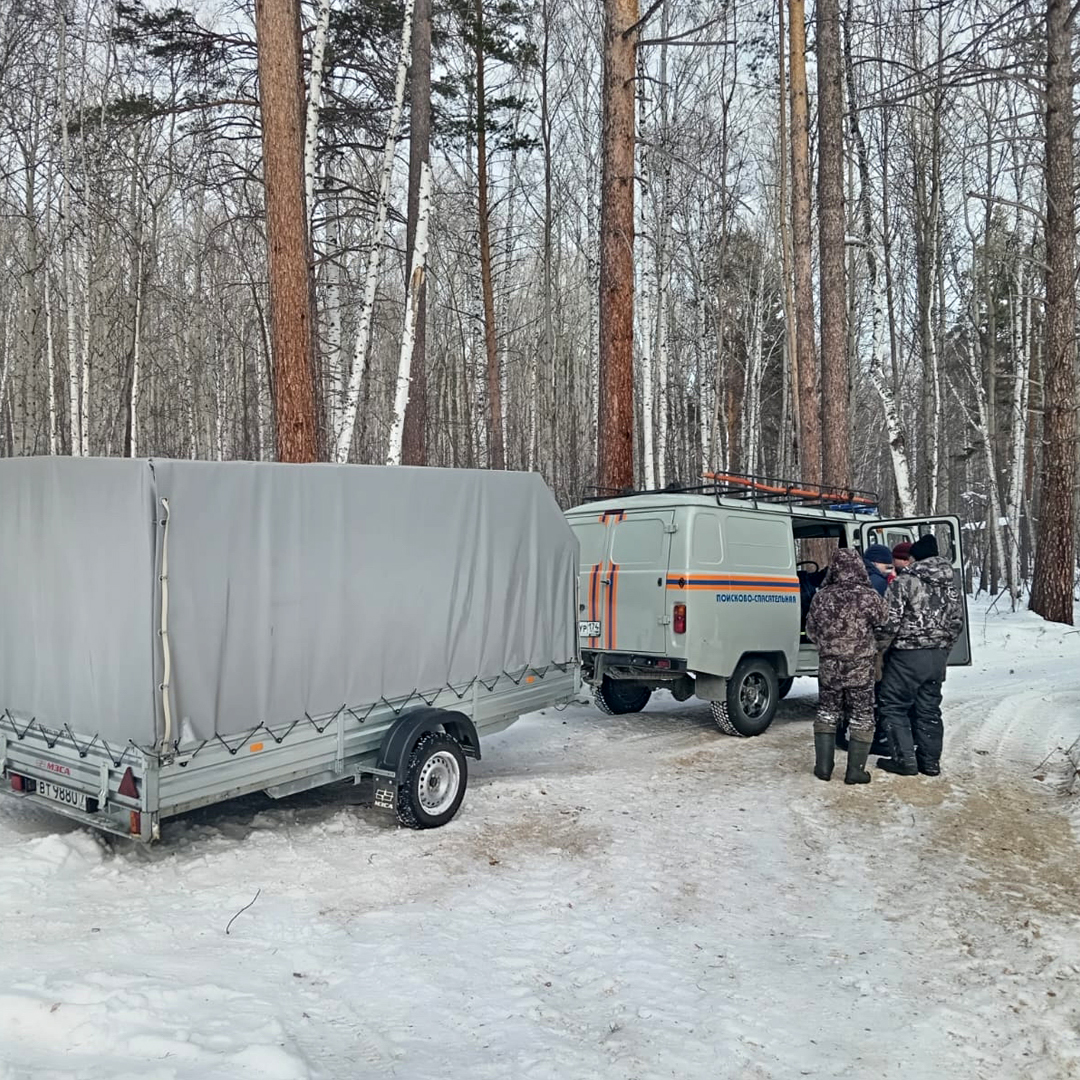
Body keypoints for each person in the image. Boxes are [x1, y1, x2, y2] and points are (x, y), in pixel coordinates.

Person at [875, 534, 965, 776]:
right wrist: (943, 649)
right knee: (929, 709)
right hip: (937, 656)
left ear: (915, 557)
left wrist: (879, 649)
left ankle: (905, 761)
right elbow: (958, 622)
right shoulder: (950, 584)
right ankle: (930, 763)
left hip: (907, 656)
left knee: (893, 705)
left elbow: (889, 623)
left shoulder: (905, 582)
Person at [805, 548, 887, 785]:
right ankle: (856, 771)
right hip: (860, 667)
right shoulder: (869, 596)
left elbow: (811, 629)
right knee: (862, 715)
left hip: (829, 666)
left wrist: (826, 644)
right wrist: (873, 645)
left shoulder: (822, 596)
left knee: (827, 712)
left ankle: (823, 767)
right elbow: (885, 622)